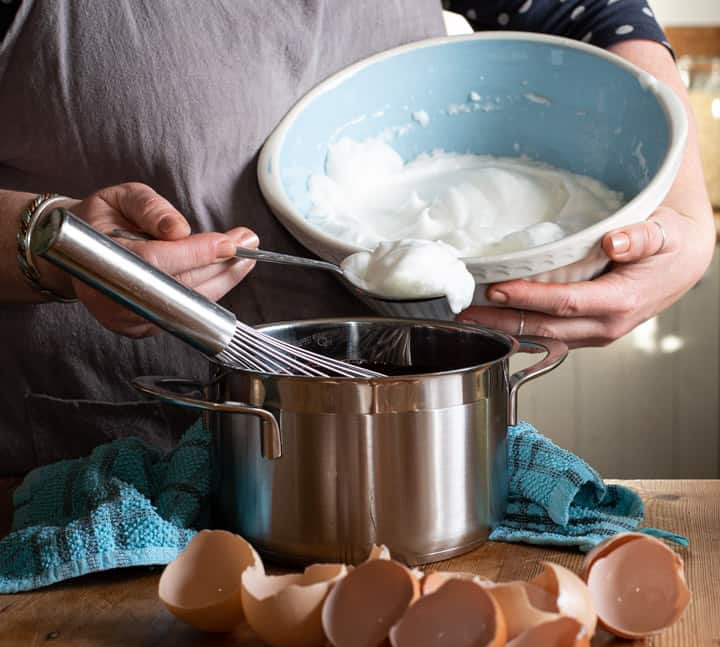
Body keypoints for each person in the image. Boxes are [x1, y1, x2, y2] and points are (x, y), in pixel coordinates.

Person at [0, 1, 714, 476]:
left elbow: (593, 13)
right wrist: (56, 250)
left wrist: (686, 221)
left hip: (399, 453)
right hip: (103, 465)